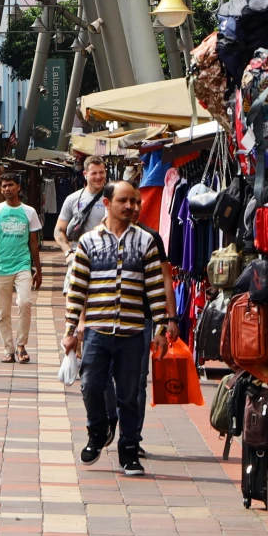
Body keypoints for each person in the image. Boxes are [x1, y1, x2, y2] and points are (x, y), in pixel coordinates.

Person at [63, 180, 172, 478]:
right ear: (108, 203)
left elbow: (154, 288)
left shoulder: (146, 242)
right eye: (124, 201)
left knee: (129, 394)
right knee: (90, 386)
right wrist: (72, 328)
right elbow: (77, 289)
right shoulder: (88, 242)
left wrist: (162, 326)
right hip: (97, 331)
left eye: (135, 202)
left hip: (133, 332)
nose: (131, 207)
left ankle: (129, 452)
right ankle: (98, 431)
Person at [0, 172, 43, 363]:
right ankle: (8, 348)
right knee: (3, 312)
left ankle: (21, 345)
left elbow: (34, 243)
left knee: (24, 303)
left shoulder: (29, 212)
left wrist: (38, 269)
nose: (7, 189)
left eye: (10, 185)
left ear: (19, 187)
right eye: (4, 186)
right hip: (1, 266)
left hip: (23, 265)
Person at [56, 157, 108, 249]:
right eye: (94, 173)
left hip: (106, 256)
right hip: (80, 257)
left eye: (101, 172)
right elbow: (59, 230)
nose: (98, 177)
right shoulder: (72, 199)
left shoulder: (114, 198)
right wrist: (68, 252)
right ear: (85, 174)